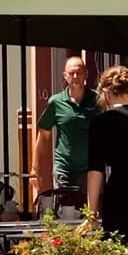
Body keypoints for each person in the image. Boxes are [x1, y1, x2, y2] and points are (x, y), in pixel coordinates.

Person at [36, 56, 100, 208]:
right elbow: (44, 135)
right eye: (72, 73)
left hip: (90, 169)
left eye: (79, 73)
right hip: (64, 168)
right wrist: (35, 168)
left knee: (88, 213)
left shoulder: (97, 100)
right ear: (65, 76)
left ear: (86, 74)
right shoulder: (56, 102)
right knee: (66, 210)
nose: (75, 77)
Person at [86, 66, 128, 245]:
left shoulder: (101, 123)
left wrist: (91, 213)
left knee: (119, 250)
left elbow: (95, 170)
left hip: (118, 193)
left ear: (107, 94)